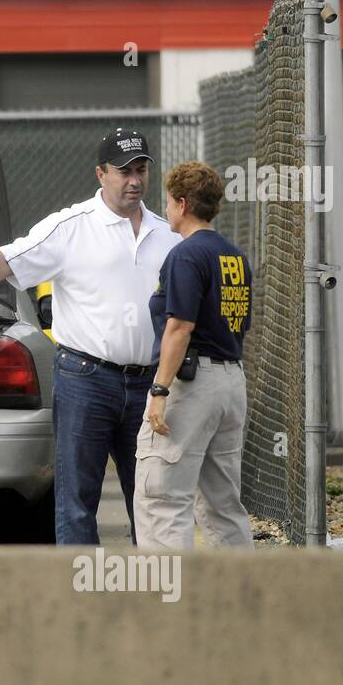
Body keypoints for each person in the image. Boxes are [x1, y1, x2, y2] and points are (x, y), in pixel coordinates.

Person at [0, 129, 179, 544]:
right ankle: (80, 598)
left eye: (141, 169)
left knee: (151, 498)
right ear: (101, 173)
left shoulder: (168, 236)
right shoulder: (70, 228)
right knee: (76, 499)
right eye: (123, 171)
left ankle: (153, 598)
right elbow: (7, 258)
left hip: (150, 386)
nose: (134, 180)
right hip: (86, 380)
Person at [133, 162, 253, 549]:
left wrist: (159, 391)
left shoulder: (186, 256)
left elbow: (179, 327)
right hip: (231, 380)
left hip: (192, 382)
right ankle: (243, 598)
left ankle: (166, 601)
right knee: (223, 504)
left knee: (163, 498)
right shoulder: (233, 255)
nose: (166, 209)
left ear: (182, 204)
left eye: (168, 202)